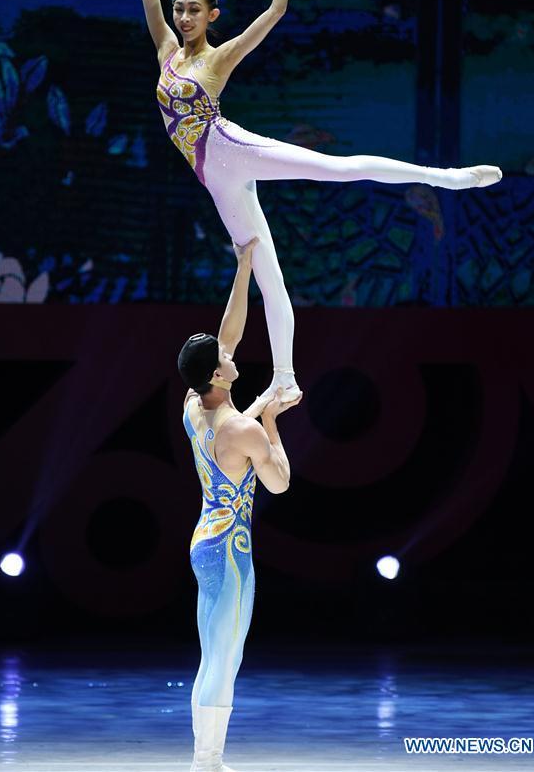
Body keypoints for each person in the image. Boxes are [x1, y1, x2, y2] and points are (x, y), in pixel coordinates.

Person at [139, 0, 503, 417]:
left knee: (338, 167)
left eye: (194, 10)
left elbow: (275, 13)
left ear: (212, 15)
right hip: (215, 181)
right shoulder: (166, 51)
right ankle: (285, 380)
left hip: (230, 151)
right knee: (267, 276)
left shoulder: (219, 58)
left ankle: (448, 179)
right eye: (180, 10)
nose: (183, 16)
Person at [178, 235, 302, 772]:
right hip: (230, 552)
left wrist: (245, 266)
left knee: (217, 650)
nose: (232, 355)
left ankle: (208, 755)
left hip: (206, 539)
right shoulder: (241, 428)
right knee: (224, 655)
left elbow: (229, 333)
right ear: (214, 375)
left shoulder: (193, 406)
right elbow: (279, 483)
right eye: (224, 359)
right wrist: (271, 422)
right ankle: (206, 760)